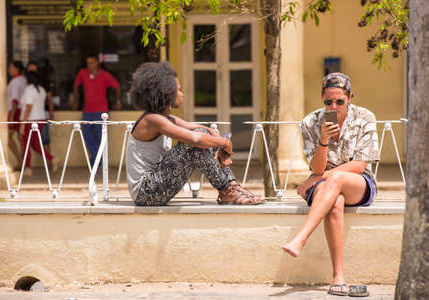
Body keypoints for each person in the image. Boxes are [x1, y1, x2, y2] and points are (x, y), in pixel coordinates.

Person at [282, 73, 379, 297]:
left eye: (339, 101)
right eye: (328, 102)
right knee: (335, 203)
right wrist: (323, 141)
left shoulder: (365, 117)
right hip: (325, 187)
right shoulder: (310, 122)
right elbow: (316, 169)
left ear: (350, 97)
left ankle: (300, 238)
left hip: (358, 182)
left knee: (334, 180)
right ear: (322, 99)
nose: (333, 107)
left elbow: (359, 164)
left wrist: (320, 178)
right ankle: (339, 276)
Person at [126, 62, 264, 206]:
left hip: (157, 186)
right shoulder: (152, 120)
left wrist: (216, 139)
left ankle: (231, 186)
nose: (182, 94)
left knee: (206, 136)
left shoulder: (165, 118)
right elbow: (195, 139)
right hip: (146, 193)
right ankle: (226, 191)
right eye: (178, 90)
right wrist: (225, 143)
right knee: (194, 144)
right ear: (166, 93)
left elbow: (199, 129)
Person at [73, 54, 122, 166]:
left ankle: (97, 161)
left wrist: (117, 101)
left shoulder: (104, 75)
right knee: (87, 135)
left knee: (100, 137)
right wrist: (75, 101)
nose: (89, 65)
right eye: (87, 63)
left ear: (97, 63)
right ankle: (98, 158)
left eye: (91, 62)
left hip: (101, 112)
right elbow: (76, 85)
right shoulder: (83, 73)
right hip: (87, 111)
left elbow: (117, 86)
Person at [19, 71, 59, 176]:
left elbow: (28, 107)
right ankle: (52, 158)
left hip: (30, 121)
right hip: (40, 119)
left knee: (26, 145)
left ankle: (27, 168)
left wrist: (22, 124)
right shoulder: (41, 90)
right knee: (35, 145)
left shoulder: (29, 90)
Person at [27, 61, 54, 154]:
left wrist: (51, 113)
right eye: (29, 70)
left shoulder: (43, 84)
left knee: (45, 140)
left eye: (33, 70)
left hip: (41, 116)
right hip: (29, 118)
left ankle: (50, 164)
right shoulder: (26, 83)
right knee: (29, 143)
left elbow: (50, 100)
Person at [6, 60, 26, 166]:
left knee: (7, 137)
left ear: (16, 69)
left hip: (15, 111)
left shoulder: (15, 82)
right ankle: (22, 162)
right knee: (20, 138)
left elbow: (14, 99)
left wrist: (12, 115)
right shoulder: (23, 80)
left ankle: (20, 161)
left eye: (11, 67)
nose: (9, 69)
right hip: (20, 111)